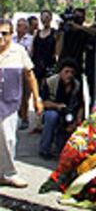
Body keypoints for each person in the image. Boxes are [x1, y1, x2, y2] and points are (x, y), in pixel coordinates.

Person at [0, 18, 43, 187]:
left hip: (10, 103)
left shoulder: (19, 51)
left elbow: (30, 75)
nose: (1, 37)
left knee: (9, 138)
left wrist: (37, 99)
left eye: (4, 33)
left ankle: (9, 173)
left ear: (11, 35)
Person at [39, 58, 83, 159]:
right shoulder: (51, 82)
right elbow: (44, 102)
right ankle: (45, 149)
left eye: (72, 72)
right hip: (52, 111)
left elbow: (81, 105)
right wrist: (57, 106)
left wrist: (77, 121)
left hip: (69, 113)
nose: (69, 75)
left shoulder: (77, 85)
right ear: (60, 72)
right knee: (52, 117)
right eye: (66, 71)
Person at [13, 18, 34, 130]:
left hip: (25, 70)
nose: (18, 28)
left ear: (26, 28)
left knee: (25, 96)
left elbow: (31, 54)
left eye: (21, 25)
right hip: (13, 70)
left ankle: (25, 118)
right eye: (17, 25)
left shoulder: (31, 39)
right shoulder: (12, 39)